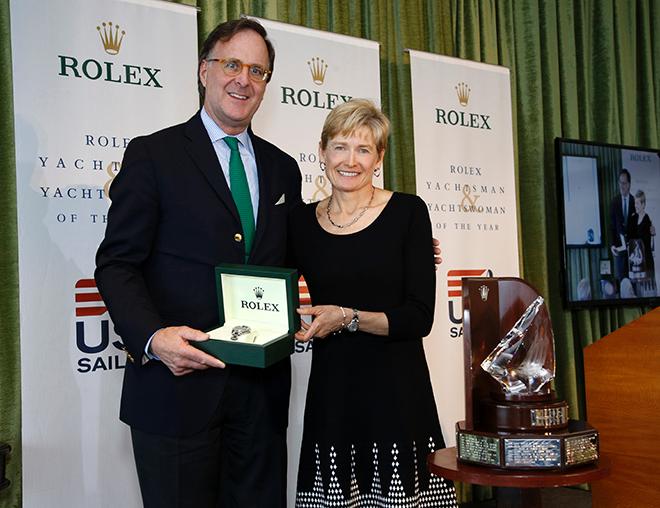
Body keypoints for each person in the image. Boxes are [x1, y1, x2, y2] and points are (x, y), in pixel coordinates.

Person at [95, 18, 302, 508]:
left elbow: (302, 252)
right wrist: (152, 337)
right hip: (175, 390)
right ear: (203, 70)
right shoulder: (153, 155)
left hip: (260, 396)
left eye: (258, 70)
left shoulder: (283, 168)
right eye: (232, 64)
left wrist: (389, 232)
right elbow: (116, 263)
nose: (243, 80)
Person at [290, 99, 457, 507]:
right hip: (333, 393)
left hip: (397, 392)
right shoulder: (297, 223)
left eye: (364, 149)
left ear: (379, 157)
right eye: (340, 146)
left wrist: (347, 318)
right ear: (322, 151)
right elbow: (261, 280)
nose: (351, 160)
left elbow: (418, 318)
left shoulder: (407, 212)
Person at [610, 168, 635, 283]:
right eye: (620, 182)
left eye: (624, 183)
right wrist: (612, 245)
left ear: (629, 184)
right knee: (623, 283)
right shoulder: (614, 202)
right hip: (620, 251)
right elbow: (612, 227)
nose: (621, 186)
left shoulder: (635, 202)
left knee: (633, 284)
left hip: (633, 252)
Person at [627, 189, 656, 284]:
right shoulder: (633, 218)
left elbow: (646, 243)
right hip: (636, 263)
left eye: (637, 203)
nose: (635, 206)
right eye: (635, 203)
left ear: (643, 205)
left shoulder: (647, 220)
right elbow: (630, 236)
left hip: (646, 262)